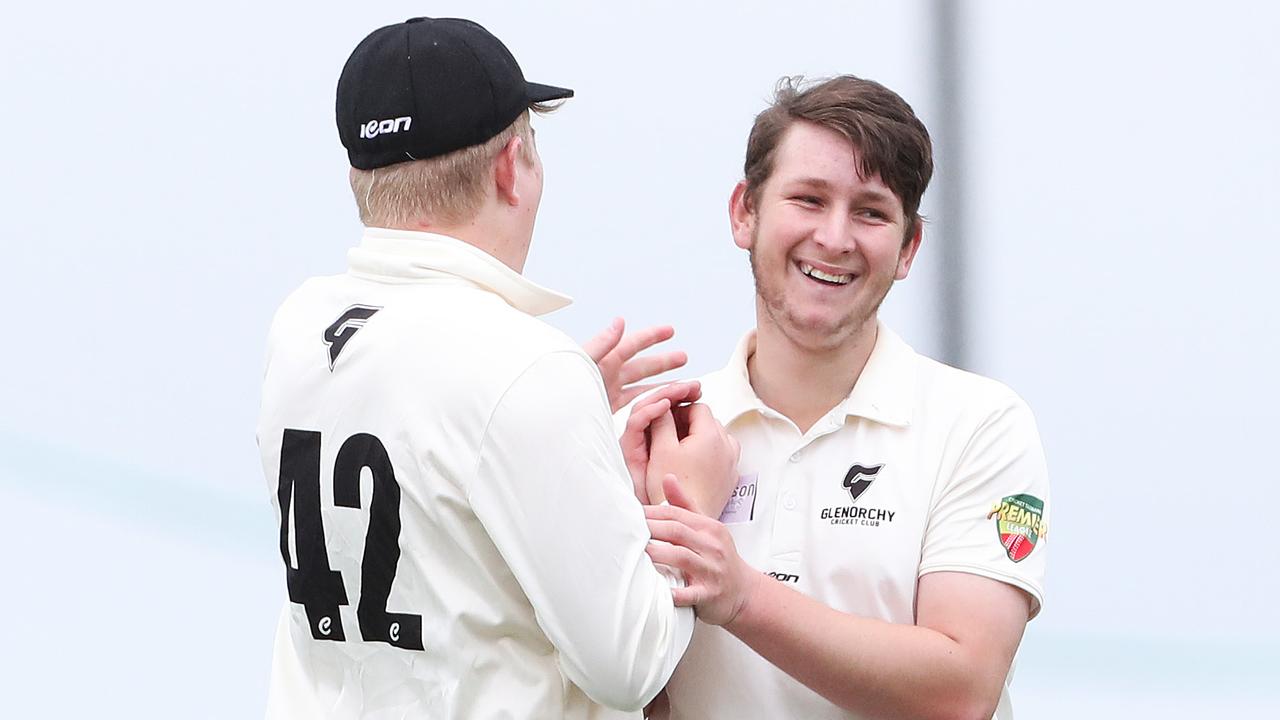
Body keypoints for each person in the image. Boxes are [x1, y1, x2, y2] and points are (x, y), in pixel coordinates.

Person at [255, 17, 737, 719]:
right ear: (511, 167)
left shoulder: (297, 326)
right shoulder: (524, 368)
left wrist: (567, 423)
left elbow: (425, 488)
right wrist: (682, 501)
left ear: (359, 174)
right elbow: (629, 664)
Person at [635, 75, 1051, 719]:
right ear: (745, 212)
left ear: (908, 247)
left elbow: (962, 691)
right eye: (808, 198)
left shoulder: (981, 426)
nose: (834, 238)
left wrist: (741, 594)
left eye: (871, 211)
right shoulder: (659, 434)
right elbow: (617, 684)